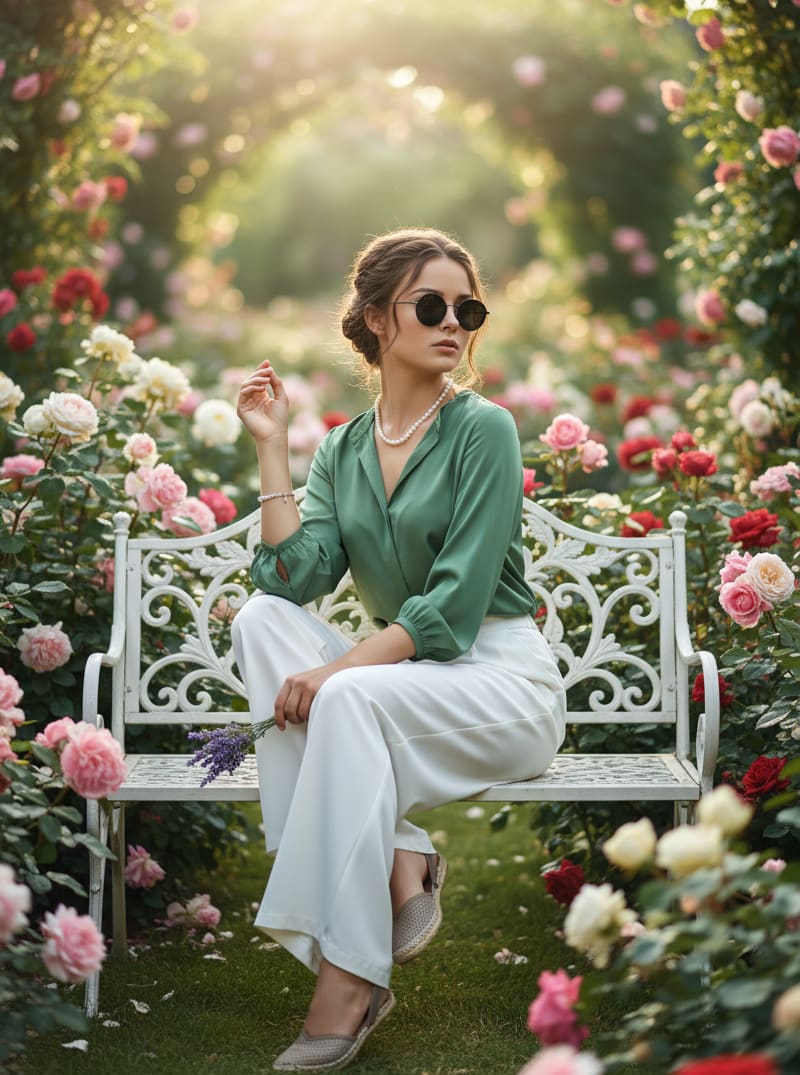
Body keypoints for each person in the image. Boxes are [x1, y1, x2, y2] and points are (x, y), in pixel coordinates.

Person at [232, 227, 567, 1072]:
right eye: (431, 304)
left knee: (342, 697)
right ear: (378, 319)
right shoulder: (344, 449)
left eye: (468, 307)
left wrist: (337, 670)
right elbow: (288, 574)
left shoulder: (483, 430)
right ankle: (397, 850)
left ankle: (349, 978)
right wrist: (273, 445)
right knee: (258, 622)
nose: (453, 322)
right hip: (407, 684)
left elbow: (453, 607)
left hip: (500, 684)